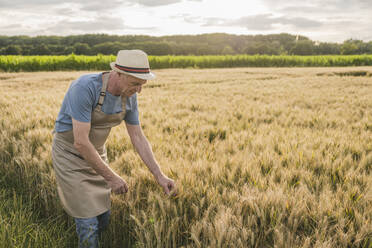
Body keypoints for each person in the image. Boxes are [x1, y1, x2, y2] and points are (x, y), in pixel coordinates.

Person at [51, 50, 176, 248]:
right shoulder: (85, 88)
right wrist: (111, 177)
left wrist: (159, 175)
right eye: (135, 83)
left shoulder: (130, 96)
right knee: (88, 220)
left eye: (142, 85)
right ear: (118, 73)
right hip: (70, 155)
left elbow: (138, 137)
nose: (139, 90)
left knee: (103, 217)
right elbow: (81, 142)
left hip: (97, 154)